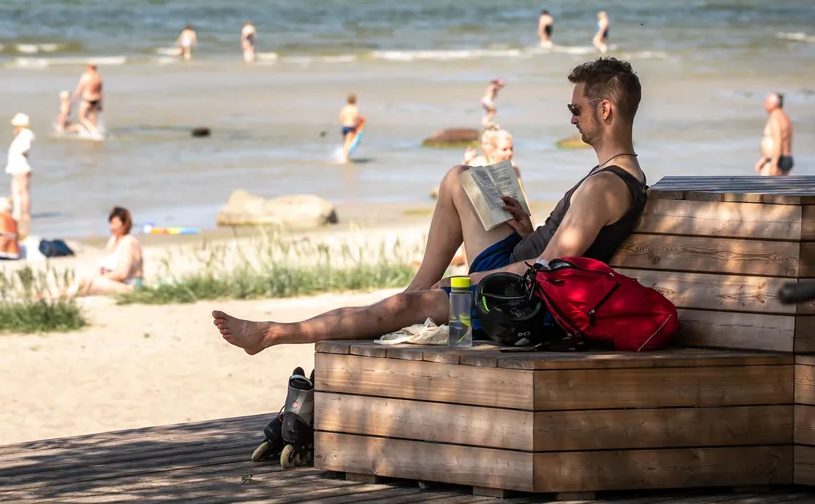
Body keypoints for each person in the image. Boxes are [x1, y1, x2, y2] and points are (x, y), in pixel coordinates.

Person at [213, 57, 648, 354]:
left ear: (605, 110)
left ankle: (272, 333)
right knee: (461, 178)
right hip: (520, 259)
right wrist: (527, 225)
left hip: (520, 300)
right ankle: (416, 289)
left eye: (577, 108)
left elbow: (549, 273)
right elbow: (559, 250)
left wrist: (469, 280)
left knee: (410, 309)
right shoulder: (614, 175)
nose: (572, 117)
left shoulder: (604, 186)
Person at [66, 207, 144, 297]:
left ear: (124, 225)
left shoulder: (129, 242)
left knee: (91, 284)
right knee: (80, 280)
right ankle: (60, 294)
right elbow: (103, 266)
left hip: (129, 284)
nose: (111, 227)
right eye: (110, 223)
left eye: (115, 224)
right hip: (111, 280)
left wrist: (99, 279)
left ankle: (63, 295)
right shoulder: (113, 240)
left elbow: (123, 273)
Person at [7, 113, 36, 236]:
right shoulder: (22, 135)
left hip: (21, 167)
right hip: (17, 168)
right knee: (18, 192)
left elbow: (24, 149)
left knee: (23, 192)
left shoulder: (25, 135)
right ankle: (18, 213)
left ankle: (25, 214)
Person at [756, 93, 794, 177]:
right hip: (786, 157)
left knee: (765, 187)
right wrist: (764, 159)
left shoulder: (775, 118)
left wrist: (774, 164)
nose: (764, 105)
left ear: (773, 104)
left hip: (776, 160)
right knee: (780, 188)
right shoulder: (785, 117)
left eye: (766, 102)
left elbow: (778, 141)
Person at [74, 63, 104, 132]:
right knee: (93, 120)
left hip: (87, 99)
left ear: (88, 67)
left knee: (82, 118)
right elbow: (101, 92)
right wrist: (101, 104)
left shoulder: (85, 76)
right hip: (96, 100)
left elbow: (79, 88)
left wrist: (74, 99)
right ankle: (94, 132)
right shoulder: (98, 77)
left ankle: (94, 131)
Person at [339, 94, 362, 161]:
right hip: (351, 127)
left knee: (346, 142)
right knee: (348, 142)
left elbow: (341, 118)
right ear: (355, 101)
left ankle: (344, 155)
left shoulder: (344, 108)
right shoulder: (355, 109)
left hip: (344, 127)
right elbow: (356, 118)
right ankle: (345, 158)